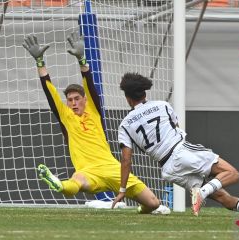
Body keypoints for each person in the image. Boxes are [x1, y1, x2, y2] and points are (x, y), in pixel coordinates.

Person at [22, 33, 170, 214]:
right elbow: (49, 90)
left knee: (153, 203)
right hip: (88, 171)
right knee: (76, 183)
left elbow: (89, 83)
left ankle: (142, 209)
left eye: (77, 99)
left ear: (85, 100)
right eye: (70, 100)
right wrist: (40, 61)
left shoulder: (93, 110)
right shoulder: (65, 116)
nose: (73, 103)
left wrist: (81, 59)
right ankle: (57, 183)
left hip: (112, 168)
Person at [111, 72, 239, 218]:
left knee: (221, 196)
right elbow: (175, 127)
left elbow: (126, 160)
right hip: (181, 151)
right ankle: (201, 193)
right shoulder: (162, 106)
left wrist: (122, 190)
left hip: (168, 169)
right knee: (232, 173)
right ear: (144, 92)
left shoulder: (125, 124)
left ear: (127, 97)